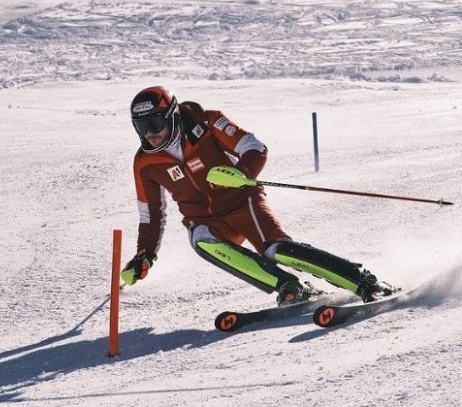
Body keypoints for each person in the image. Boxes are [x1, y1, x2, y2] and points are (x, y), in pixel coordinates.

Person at [121, 86, 397, 305]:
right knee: (201, 240)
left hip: (243, 202)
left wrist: (242, 172)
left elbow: (253, 146)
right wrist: (145, 254)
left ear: (173, 116)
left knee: (277, 250)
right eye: (142, 127)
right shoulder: (145, 163)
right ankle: (288, 285)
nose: (150, 134)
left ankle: (363, 281)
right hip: (207, 220)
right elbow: (150, 214)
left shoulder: (208, 122)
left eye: (155, 123)